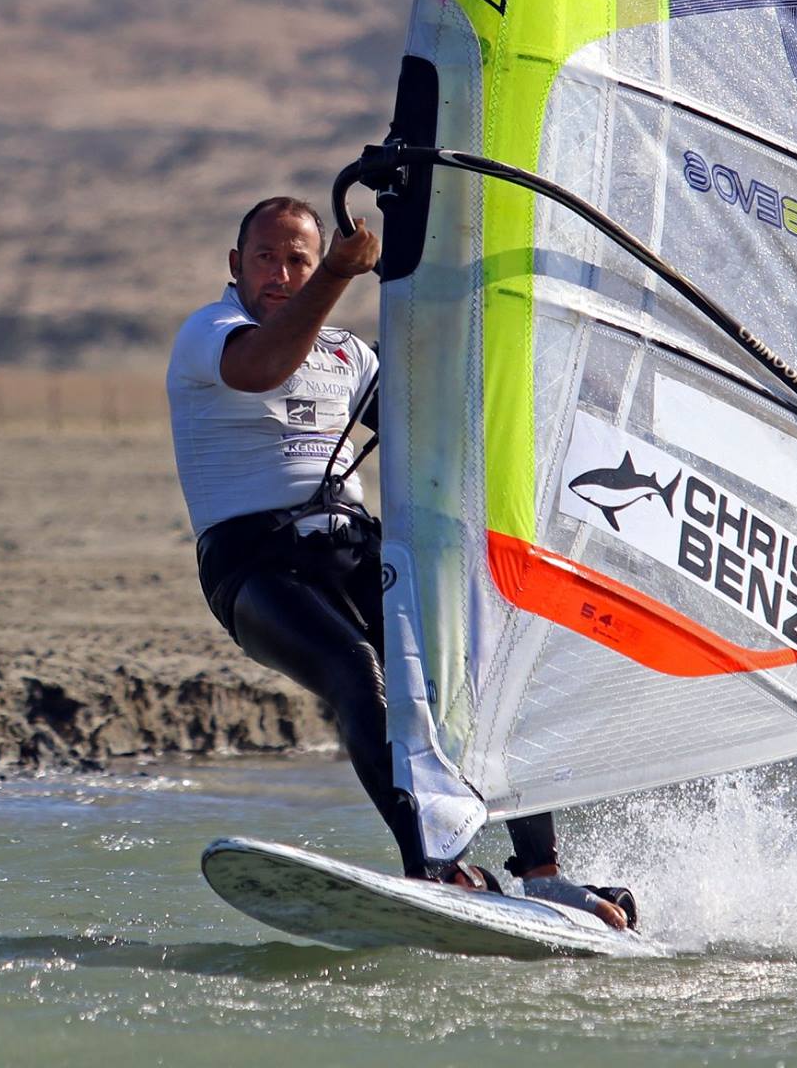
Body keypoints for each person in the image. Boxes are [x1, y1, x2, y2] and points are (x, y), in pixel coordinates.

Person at [165, 194, 631, 929]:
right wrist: (339, 278)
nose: (282, 274)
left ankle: (542, 874)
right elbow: (260, 369)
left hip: (352, 546)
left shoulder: (348, 356)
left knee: (478, 673)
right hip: (252, 567)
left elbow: (441, 432)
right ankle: (435, 865)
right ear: (235, 266)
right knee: (357, 671)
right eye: (266, 258)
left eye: (299, 260)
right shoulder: (212, 332)